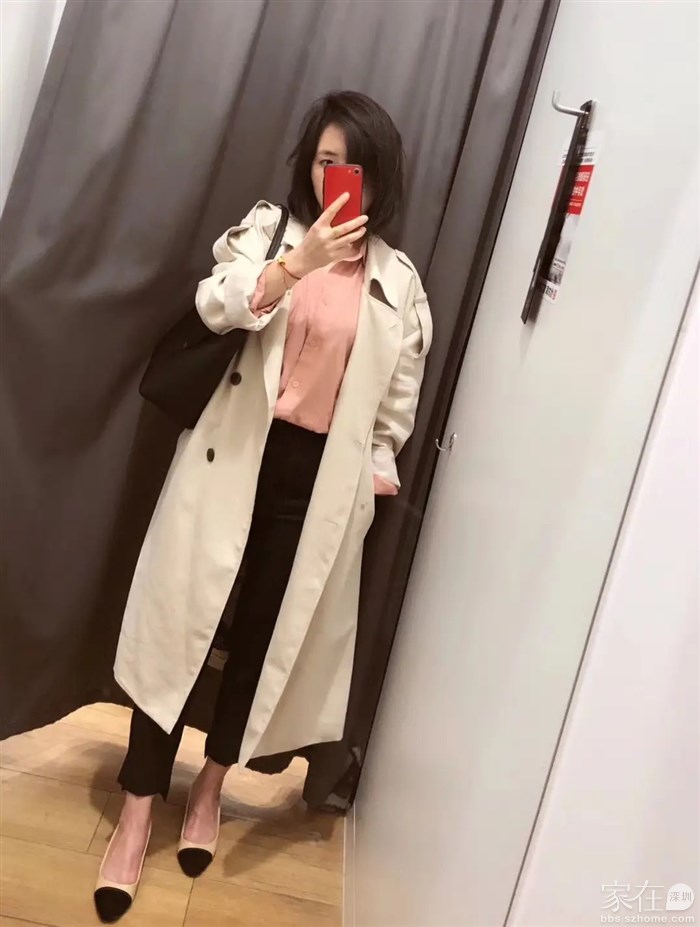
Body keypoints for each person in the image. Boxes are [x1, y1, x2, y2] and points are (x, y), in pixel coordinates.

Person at [94, 90, 432, 922]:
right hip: (233, 455)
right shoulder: (269, 232)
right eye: (324, 161)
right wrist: (296, 263)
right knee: (182, 627)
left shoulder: (398, 283)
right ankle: (138, 805)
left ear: (379, 178)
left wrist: (372, 472)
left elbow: (394, 404)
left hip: (315, 483)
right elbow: (215, 304)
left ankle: (211, 786)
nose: (334, 178)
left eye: (351, 165)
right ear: (307, 166)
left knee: (261, 637)